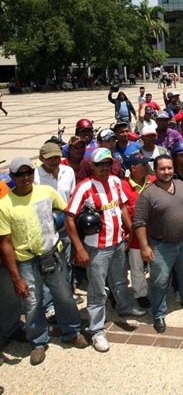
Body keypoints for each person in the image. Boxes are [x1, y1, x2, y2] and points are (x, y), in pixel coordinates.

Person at [0, 157, 87, 365]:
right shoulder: (4, 205)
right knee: (32, 303)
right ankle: (38, 342)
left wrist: (77, 246)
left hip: (53, 254)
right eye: (20, 174)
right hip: (27, 261)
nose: (25, 178)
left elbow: (67, 214)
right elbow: (5, 243)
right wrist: (15, 278)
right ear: (12, 177)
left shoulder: (46, 192)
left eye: (28, 172)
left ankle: (72, 331)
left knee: (64, 295)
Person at [65, 148, 147, 353]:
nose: (104, 168)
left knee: (120, 278)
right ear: (91, 166)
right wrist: (79, 248)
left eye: (107, 164)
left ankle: (124, 306)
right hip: (97, 247)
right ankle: (96, 330)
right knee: (97, 288)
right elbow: (69, 218)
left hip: (119, 241)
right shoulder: (84, 187)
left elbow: (122, 207)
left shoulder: (116, 181)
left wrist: (129, 231)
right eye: (100, 164)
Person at [133, 155, 183, 333]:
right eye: (162, 169)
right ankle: (158, 314)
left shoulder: (181, 185)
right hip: (160, 246)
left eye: (169, 168)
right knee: (160, 282)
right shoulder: (148, 194)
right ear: (155, 171)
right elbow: (139, 222)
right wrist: (144, 246)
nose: (167, 172)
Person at [34, 142, 79, 315]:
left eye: (57, 157)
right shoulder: (35, 176)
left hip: (66, 225)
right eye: (50, 158)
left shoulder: (68, 171)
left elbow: (73, 195)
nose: (54, 161)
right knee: (48, 266)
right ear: (41, 159)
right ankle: (49, 305)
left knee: (66, 263)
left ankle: (66, 296)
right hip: (45, 229)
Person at [120, 153, 155, 309]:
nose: (147, 167)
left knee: (156, 263)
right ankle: (140, 293)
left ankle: (156, 288)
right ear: (133, 168)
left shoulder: (154, 182)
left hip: (155, 233)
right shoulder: (122, 186)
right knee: (136, 266)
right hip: (134, 235)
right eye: (143, 165)